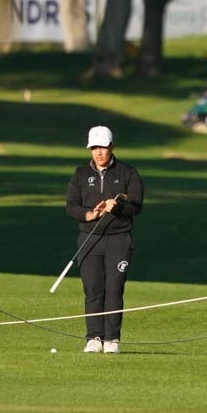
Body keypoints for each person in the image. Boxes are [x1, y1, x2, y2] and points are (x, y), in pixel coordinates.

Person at [65, 125, 145, 354]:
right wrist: (91, 214)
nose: (98, 152)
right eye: (94, 148)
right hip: (90, 238)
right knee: (92, 289)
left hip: (119, 239)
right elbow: (71, 206)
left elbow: (136, 205)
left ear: (112, 147)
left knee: (114, 288)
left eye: (103, 147)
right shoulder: (80, 174)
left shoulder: (128, 173)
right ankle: (94, 338)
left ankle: (112, 339)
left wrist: (118, 206)